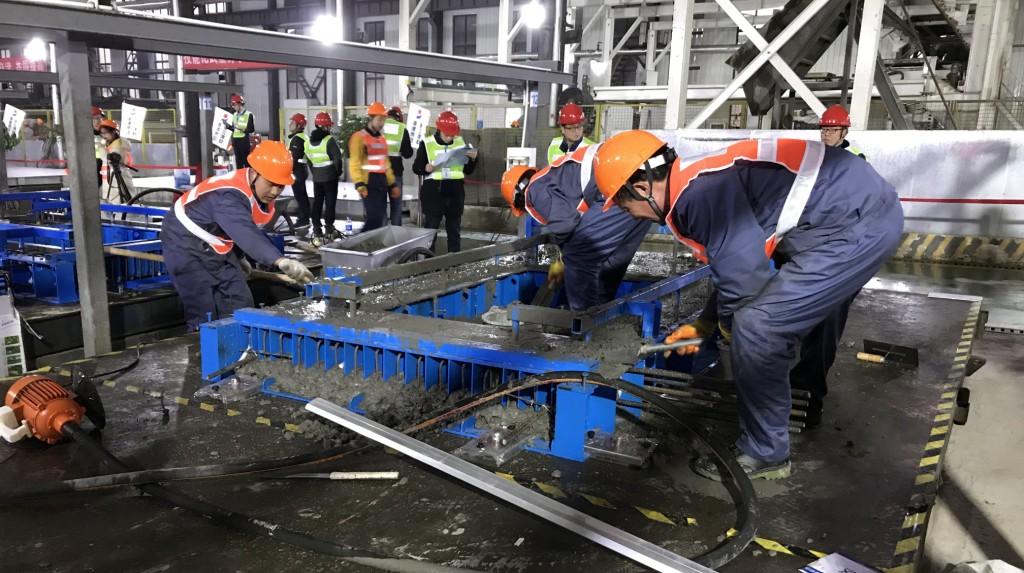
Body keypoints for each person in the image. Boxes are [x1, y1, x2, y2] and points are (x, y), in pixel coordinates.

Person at [593, 131, 904, 481]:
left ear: (642, 187)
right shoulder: (697, 180)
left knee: (758, 328)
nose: (632, 217)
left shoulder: (696, 198)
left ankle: (766, 452)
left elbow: (745, 285)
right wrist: (706, 323)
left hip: (853, 225)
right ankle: (799, 396)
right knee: (797, 307)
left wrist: (730, 331)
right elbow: (734, 261)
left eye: (625, 207)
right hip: (849, 210)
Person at [160, 140, 314, 331]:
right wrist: (280, 260)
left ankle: (239, 342)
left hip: (213, 242)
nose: (275, 191)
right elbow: (245, 232)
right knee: (203, 309)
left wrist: (239, 257)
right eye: (271, 183)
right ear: (255, 173)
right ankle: (201, 344)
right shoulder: (228, 196)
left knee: (239, 299)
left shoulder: (252, 192)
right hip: (183, 241)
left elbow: (241, 228)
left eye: (280, 186)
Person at [500, 144, 649, 311]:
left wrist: (562, 259)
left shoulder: (535, 189)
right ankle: (602, 313)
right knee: (610, 262)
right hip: (641, 187)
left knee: (577, 256)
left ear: (519, 198)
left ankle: (581, 320)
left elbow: (565, 224)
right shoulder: (556, 176)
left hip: (617, 187)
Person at [413, 111, 477, 253]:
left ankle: (454, 260)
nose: (449, 138)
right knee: (431, 231)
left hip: (455, 192)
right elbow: (416, 167)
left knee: (454, 230)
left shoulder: (460, 143)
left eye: (452, 135)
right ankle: (429, 261)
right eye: (447, 134)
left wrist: (473, 159)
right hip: (434, 192)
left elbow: (468, 170)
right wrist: (425, 168)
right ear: (439, 129)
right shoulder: (427, 143)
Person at [350, 102, 400, 235]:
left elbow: (386, 164)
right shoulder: (359, 137)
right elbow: (354, 162)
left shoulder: (382, 139)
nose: (381, 123)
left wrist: (392, 184)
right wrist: (359, 183)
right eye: (379, 119)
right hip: (368, 182)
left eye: (383, 120)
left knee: (379, 218)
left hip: (381, 182)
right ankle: (359, 241)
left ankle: (368, 242)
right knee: (374, 217)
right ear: (371, 118)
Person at [305, 111, 344, 246]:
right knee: (330, 203)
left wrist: (315, 173)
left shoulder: (309, 142)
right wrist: (338, 172)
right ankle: (329, 228)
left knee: (317, 202)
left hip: (317, 178)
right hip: (330, 177)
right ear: (326, 126)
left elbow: (309, 161)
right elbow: (337, 159)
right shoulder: (329, 140)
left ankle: (316, 229)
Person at [384, 106, 415, 226]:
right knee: (396, 206)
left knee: (380, 205)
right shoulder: (402, 129)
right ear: (399, 118)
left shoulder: (379, 126)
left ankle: (380, 233)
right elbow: (408, 153)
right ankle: (396, 232)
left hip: (380, 171)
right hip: (395, 171)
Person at [97, 118, 135, 204]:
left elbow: (110, 160)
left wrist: (101, 149)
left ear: (113, 132)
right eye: (102, 133)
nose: (103, 136)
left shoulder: (119, 145)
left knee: (121, 204)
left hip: (118, 179)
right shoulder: (110, 144)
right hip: (110, 180)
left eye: (105, 133)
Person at [286, 113, 311, 228]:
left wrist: (287, 171)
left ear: (299, 126)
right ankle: (304, 218)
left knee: (300, 197)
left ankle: (303, 220)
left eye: (293, 122)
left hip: (298, 171)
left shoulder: (297, 139)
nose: (290, 124)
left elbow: (293, 158)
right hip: (301, 170)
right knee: (302, 195)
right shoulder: (301, 137)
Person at [224, 93, 255, 169]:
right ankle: (240, 175)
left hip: (244, 140)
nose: (233, 107)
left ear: (240, 104)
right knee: (238, 162)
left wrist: (241, 129)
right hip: (236, 140)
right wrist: (228, 127)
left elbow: (251, 129)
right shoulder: (234, 115)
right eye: (232, 105)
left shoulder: (249, 115)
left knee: (246, 161)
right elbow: (234, 128)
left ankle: (247, 175)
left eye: (234, 104)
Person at [92, 106, 105, 188]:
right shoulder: (84, 136)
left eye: (101, 118)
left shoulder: (106, 134)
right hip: (92, 166)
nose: (99, 121)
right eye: (96, 118)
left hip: (104, 165)